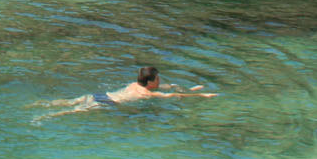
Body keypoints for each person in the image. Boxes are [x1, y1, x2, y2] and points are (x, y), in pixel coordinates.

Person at [35, 66, 216, 121]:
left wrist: (190, 89)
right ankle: (44, 117)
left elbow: (170, 88)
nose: (160, 80)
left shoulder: (134, 85)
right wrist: (202, 96)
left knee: (67, 102)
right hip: (106, 103)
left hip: (99, 94)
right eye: (158, 78)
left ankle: (39, 105)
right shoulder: (147, 95)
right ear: (151, 82)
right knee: (71, 112)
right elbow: (172, 96)